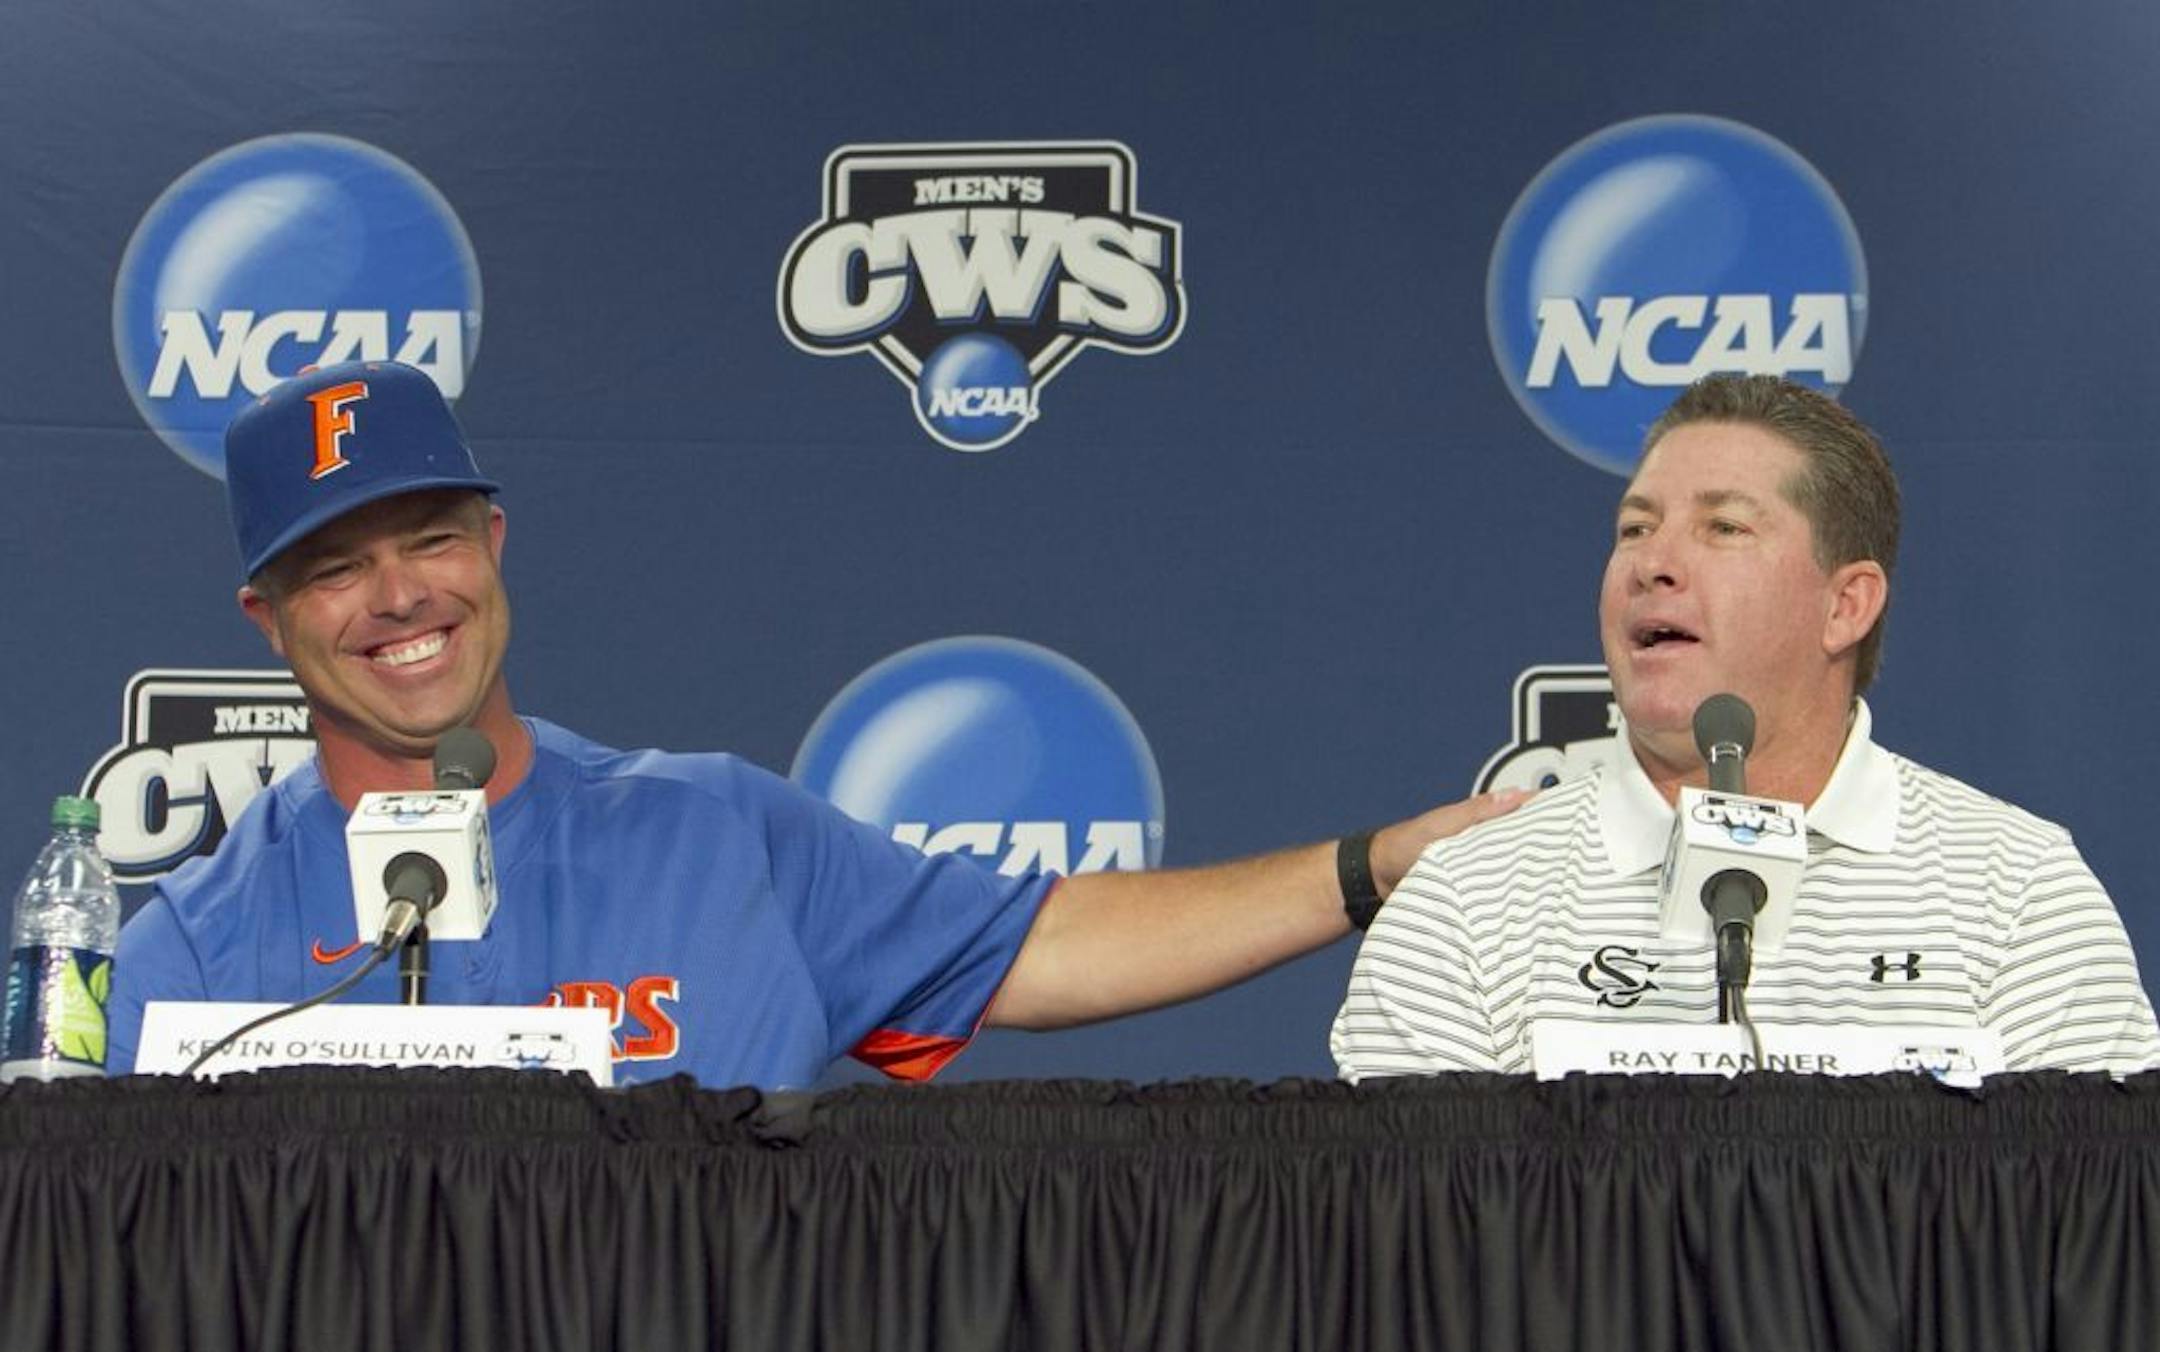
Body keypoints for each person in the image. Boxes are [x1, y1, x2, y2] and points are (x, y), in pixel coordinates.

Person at [105, 359, 1523, 1088]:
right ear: (266, 617)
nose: (400, 597)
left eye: (427, 539)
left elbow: (1047, 946)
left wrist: (1371, 867)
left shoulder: (712, 833)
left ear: (493, 541)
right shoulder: (190, 948)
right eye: (337, 567)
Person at [1332, 373, 2160, 1078]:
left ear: (1846, 604)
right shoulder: (1465, 903)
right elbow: (1409, 1249)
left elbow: (2097, 1234)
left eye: (1723, 527)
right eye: (1635, 528)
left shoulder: (2018, 891)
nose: (1653, 563)